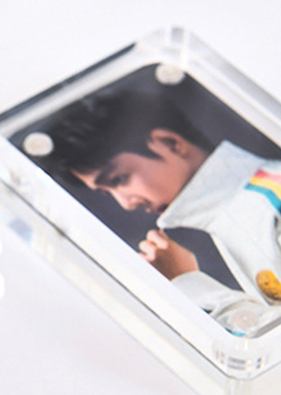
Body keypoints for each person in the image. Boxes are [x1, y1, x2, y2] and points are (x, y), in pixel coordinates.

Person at [29, 89, 281, 335]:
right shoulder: (240, 210)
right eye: (107, 192)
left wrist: (187, 283)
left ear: (171, 143)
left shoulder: (269, 200)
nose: (126, 204)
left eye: (119, 179)